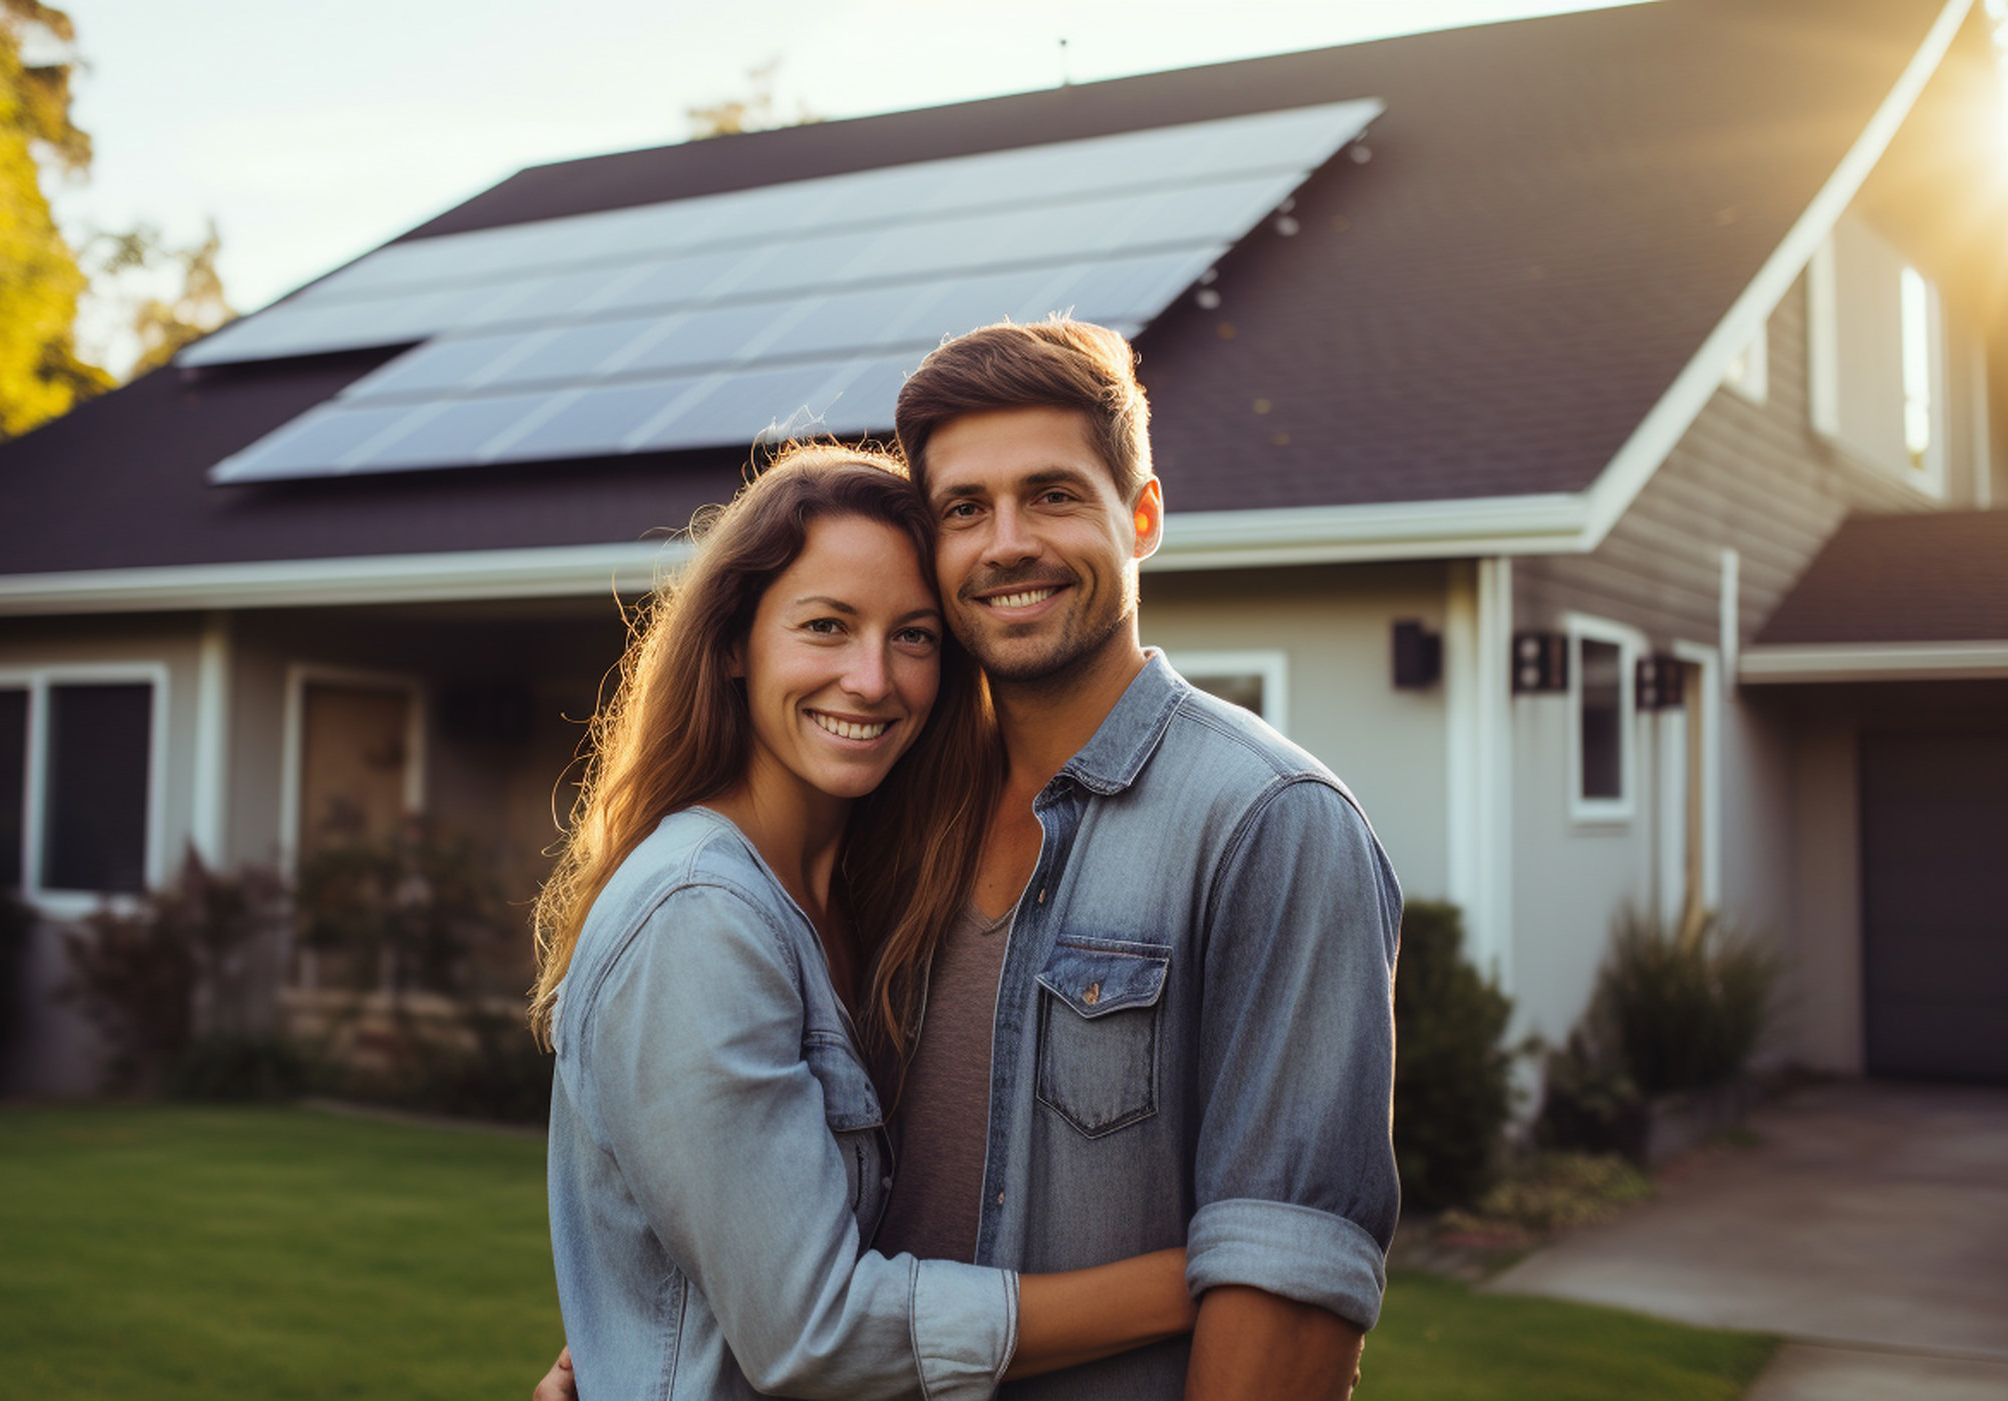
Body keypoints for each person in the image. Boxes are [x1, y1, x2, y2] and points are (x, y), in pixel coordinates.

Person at [530, 443, 1198, 1400]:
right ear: (733, 644)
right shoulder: (699, 914)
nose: (873, 679)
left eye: (914, 636)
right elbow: (812, 1333)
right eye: (826, 626)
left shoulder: (857, 899)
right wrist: (1192, 1280)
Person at [880, 317, 1404, 1399]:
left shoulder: (1271, 821)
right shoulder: (896, 816)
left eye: (1052, 495)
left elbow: (1288, 1292)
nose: (1006, 543)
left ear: (1144, 516)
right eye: (964, 509)